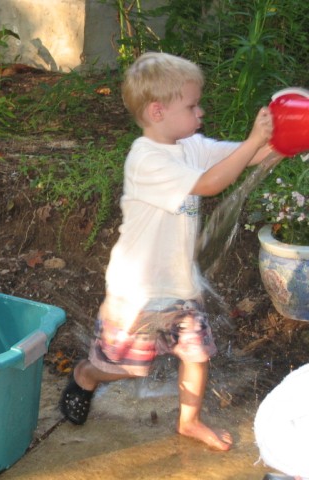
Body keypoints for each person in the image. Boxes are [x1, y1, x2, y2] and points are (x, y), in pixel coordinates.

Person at [59, 52, 277, 451]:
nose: (201, 111)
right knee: (128, 366)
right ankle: (87, 375)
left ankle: (188, 421)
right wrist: (254, 141)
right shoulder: (146, 159)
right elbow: (211, 184)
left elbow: (243, 157)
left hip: (179, 285)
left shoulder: (189, 145)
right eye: (192, 106)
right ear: (158, 111)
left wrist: (281, 141)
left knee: (197, 356)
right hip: (138, 292)